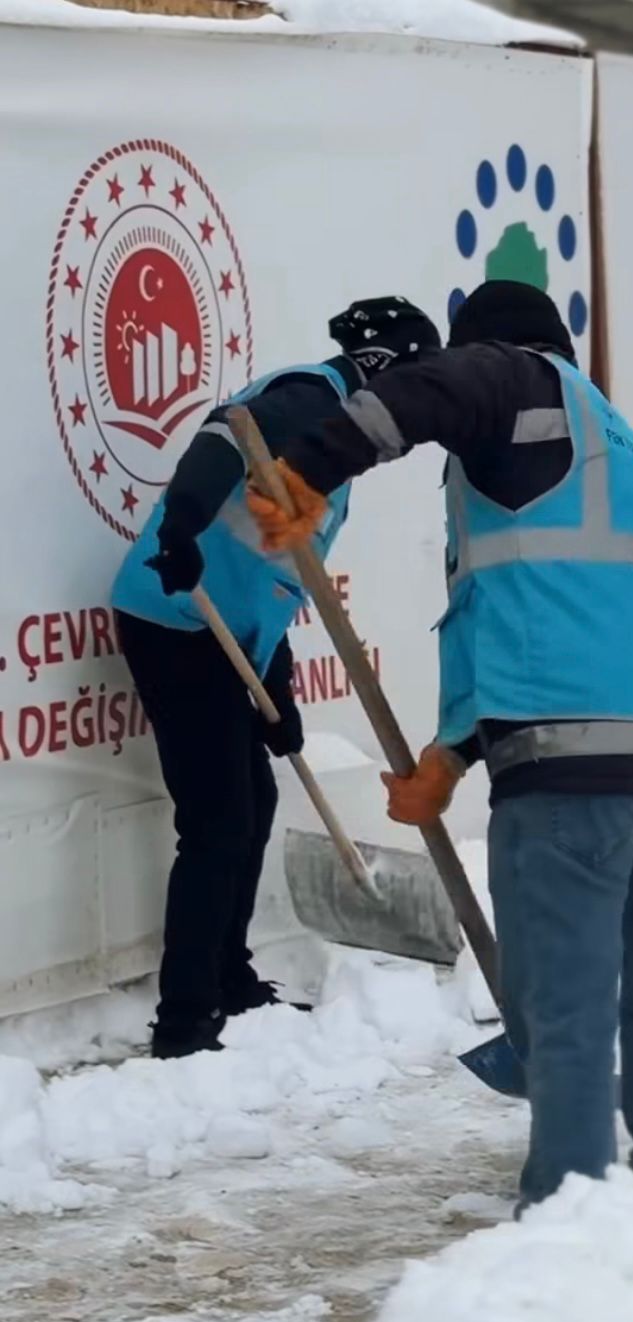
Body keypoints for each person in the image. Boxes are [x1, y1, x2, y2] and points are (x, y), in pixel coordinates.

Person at [245, 280, 633, 1208]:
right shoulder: (614, 455)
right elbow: (510, 611)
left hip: (572, 762)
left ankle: (568, 1211)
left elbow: (442, 387)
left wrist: (310, 469)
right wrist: (451, 757)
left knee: (565, 1004)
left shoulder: (515, 379)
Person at [112, 297, 441, 1059]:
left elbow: (277, 575)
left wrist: (279, 692)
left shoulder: (338, 444)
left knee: (252, 803)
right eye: (416, 379)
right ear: (383, 365)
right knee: (217, 821)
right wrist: (180, 526)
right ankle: (184, 1019)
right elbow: (225, 437)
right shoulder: (308, 399)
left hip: (227, 635)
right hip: (176, 617)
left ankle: (227, 976)